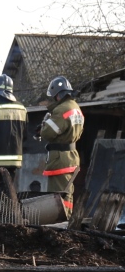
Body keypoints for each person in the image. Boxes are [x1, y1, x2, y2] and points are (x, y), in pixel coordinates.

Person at [39, 75, 85, 214]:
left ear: (58, 95)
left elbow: (48, 134)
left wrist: (44, 125)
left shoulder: (61, 110)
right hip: (71, 157)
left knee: (57, 195)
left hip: (60, 159)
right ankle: (67, 222)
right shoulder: (76, 107)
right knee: (67, 193)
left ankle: (59, 224)